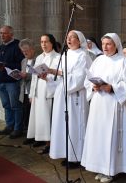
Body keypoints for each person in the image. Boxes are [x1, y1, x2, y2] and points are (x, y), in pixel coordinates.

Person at [81, 33, 126, 183]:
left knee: (110, 136)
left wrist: (113, 87)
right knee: (98, 135)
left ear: (115, 45)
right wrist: (93, 86)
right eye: (103, 44)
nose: (105, 47)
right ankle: (99, 167)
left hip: (113, 103)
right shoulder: (98, 60)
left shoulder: (123, 61)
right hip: (98, 103)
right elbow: (88, 78)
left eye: (108, 44)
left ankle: (110, 170)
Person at [48, 30, 92, 167]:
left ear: (79, 41)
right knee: (63, 124)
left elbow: (80, 78)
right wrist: (50, 73)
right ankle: (67, 153)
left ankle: (77, 156)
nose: (69, 39)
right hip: (64, 93)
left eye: (73, 37)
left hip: (75, 95)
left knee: (75, 124)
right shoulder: (65, 54)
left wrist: (64, 79)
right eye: (68, 37)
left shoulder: (83, 56)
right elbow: (63, 73)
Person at [25, 34, 60, 153]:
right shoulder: (39, 57)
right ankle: (43, 140)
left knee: (48, 118)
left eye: (46, 42)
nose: (43, 44)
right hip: (38, 91)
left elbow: (60, 78)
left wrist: (47, 79)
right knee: (40, 118)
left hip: (50, 91)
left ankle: (50, 144)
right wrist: (31, 94)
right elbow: (34, 77)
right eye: (41, 42)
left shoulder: (58, 57)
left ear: (52, 43)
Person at [0, 25, 25, 139]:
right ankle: (9, 126)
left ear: (11, 34)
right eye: (1, 33)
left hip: (12, 82)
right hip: (1, 81)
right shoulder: (0, 48)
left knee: (15, 105)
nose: (2, 35)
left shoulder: (18, 46)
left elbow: (21, 64)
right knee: (6, 105)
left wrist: (6, 65)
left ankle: (18, 129)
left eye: (5, 33)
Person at [18, 38, 36, 133]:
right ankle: (26, 132)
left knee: (32, 113)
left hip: (32, 91)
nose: (24, 53)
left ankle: (32, 133)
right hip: (24, 90)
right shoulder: (23, 61)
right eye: (23, 51)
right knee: (25, 112)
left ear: (32, 49)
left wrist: (27, 75)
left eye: (26, 50)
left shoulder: (37, 60)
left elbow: (37, 75)